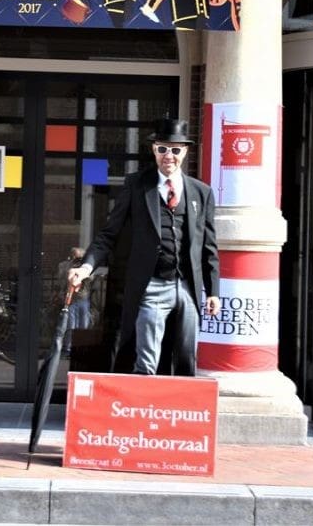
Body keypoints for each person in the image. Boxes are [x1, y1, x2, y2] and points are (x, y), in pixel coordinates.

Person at [67, 118, 220, 376]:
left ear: (184, 151)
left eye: (175, 149)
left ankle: (177, 402)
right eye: (162, 149)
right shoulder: (137, 185)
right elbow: (108, 234)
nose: (168, 156)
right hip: (153, 285)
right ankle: (141, 399)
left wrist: (213, 291)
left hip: (187, 286)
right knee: (146, 361)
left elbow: (209, 246)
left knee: (186, 358)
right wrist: (86, 268)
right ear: (154, 150)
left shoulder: (201, 192)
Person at [56, 247, 91, 357]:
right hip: (71, 298)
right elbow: (62, 279)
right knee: (71, 325)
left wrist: (83, 268)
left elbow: (91, 279)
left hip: (83, 299)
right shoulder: (66, 266)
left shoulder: (86, 267)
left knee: (83, 324)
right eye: (74, 256)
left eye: (79, 256)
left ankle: (81, 347)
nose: (76, 258)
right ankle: (68, 348)